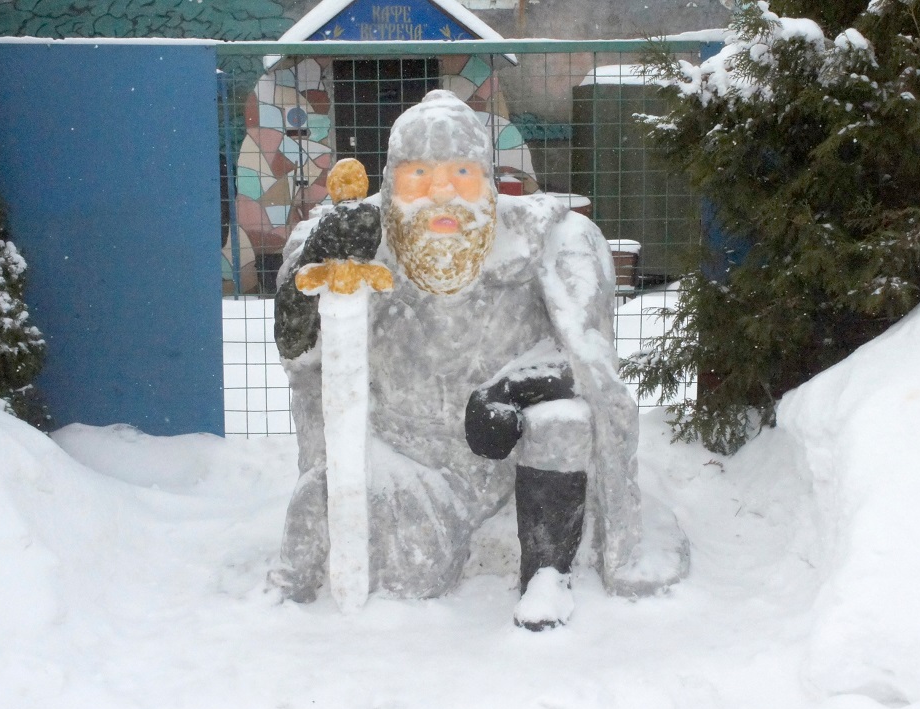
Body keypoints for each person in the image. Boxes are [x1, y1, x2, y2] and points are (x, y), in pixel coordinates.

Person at [269, 90, 688, 630]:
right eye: (419, 173)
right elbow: (302, 359)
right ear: (391, 184)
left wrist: (511, 390)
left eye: (462, 172)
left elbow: (590, 369)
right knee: (414, 577)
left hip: (510, 458)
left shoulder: (548, 241)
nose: (442, 191)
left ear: (489, 182)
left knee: (563, 421)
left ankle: (546, 579)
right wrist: (309, 277)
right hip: (407, 458)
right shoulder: (355, 243)